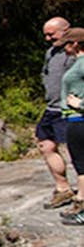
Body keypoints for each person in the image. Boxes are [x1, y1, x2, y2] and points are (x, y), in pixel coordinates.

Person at [37, 17, 76, 208]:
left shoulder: (76, 52)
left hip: (71, 110)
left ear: (65, 31)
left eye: (51, 34)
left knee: (75, 150)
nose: (47, 38)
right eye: (45, 34)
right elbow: (46, 74)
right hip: (52, 108)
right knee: (46, 145)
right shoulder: (51, 52)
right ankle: (63, 189)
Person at [57, 27, 84, 225]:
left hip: (80, 119)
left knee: (82, 167)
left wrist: (80, 104)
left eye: (66, 43)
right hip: (75, 120)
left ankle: (83, 210)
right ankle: (80, 203)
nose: (63, 48)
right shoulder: (78, 63)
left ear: (75, 44)